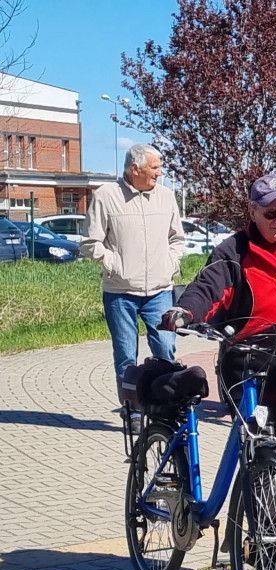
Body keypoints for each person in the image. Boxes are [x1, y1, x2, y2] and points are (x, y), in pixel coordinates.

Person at [161, 173, 276, 459]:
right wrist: (185, 311)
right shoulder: (233, 251)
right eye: (271, 213)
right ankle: (248, 498)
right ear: (252, 211)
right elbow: (208, 288)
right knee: (255, 454)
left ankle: (272, 499)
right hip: (246, 366)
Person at [80, 143, 185, 404]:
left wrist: (170, 263)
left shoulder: (166, 196)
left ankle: (164, 408)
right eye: (155, 167)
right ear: (135, 168)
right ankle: (133, 412)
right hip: (120, 293)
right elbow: (90, 243)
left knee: (165, 350)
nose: (160, 172)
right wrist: (114, 265)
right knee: (127, 356)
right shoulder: (106, 196)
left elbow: (177, 239)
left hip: (160, 291)